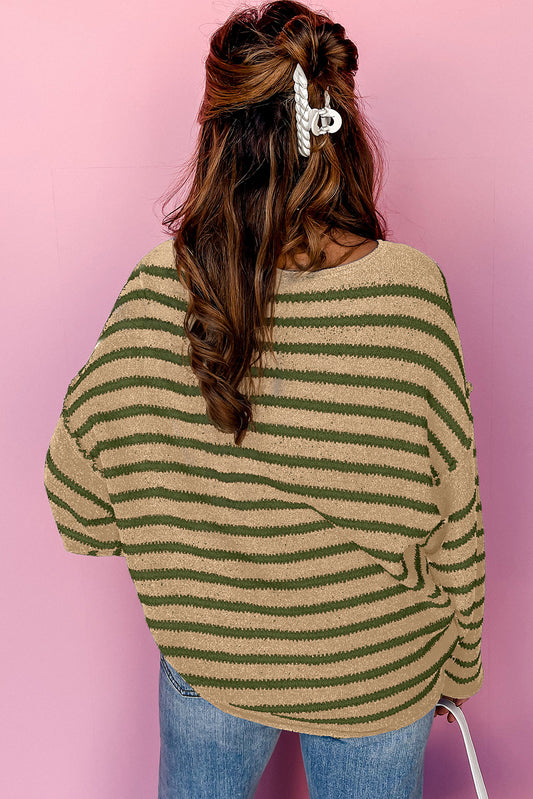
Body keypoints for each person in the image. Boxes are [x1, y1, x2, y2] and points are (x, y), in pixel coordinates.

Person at [43, 2, 485, 797]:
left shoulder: (158, 288)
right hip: (376, 667)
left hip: (212, 657)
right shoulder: (409, 293)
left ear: (217, 136)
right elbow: (455, 509)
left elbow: (79, 504)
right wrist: (459, 662)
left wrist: (187, 540)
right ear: (339, 127)